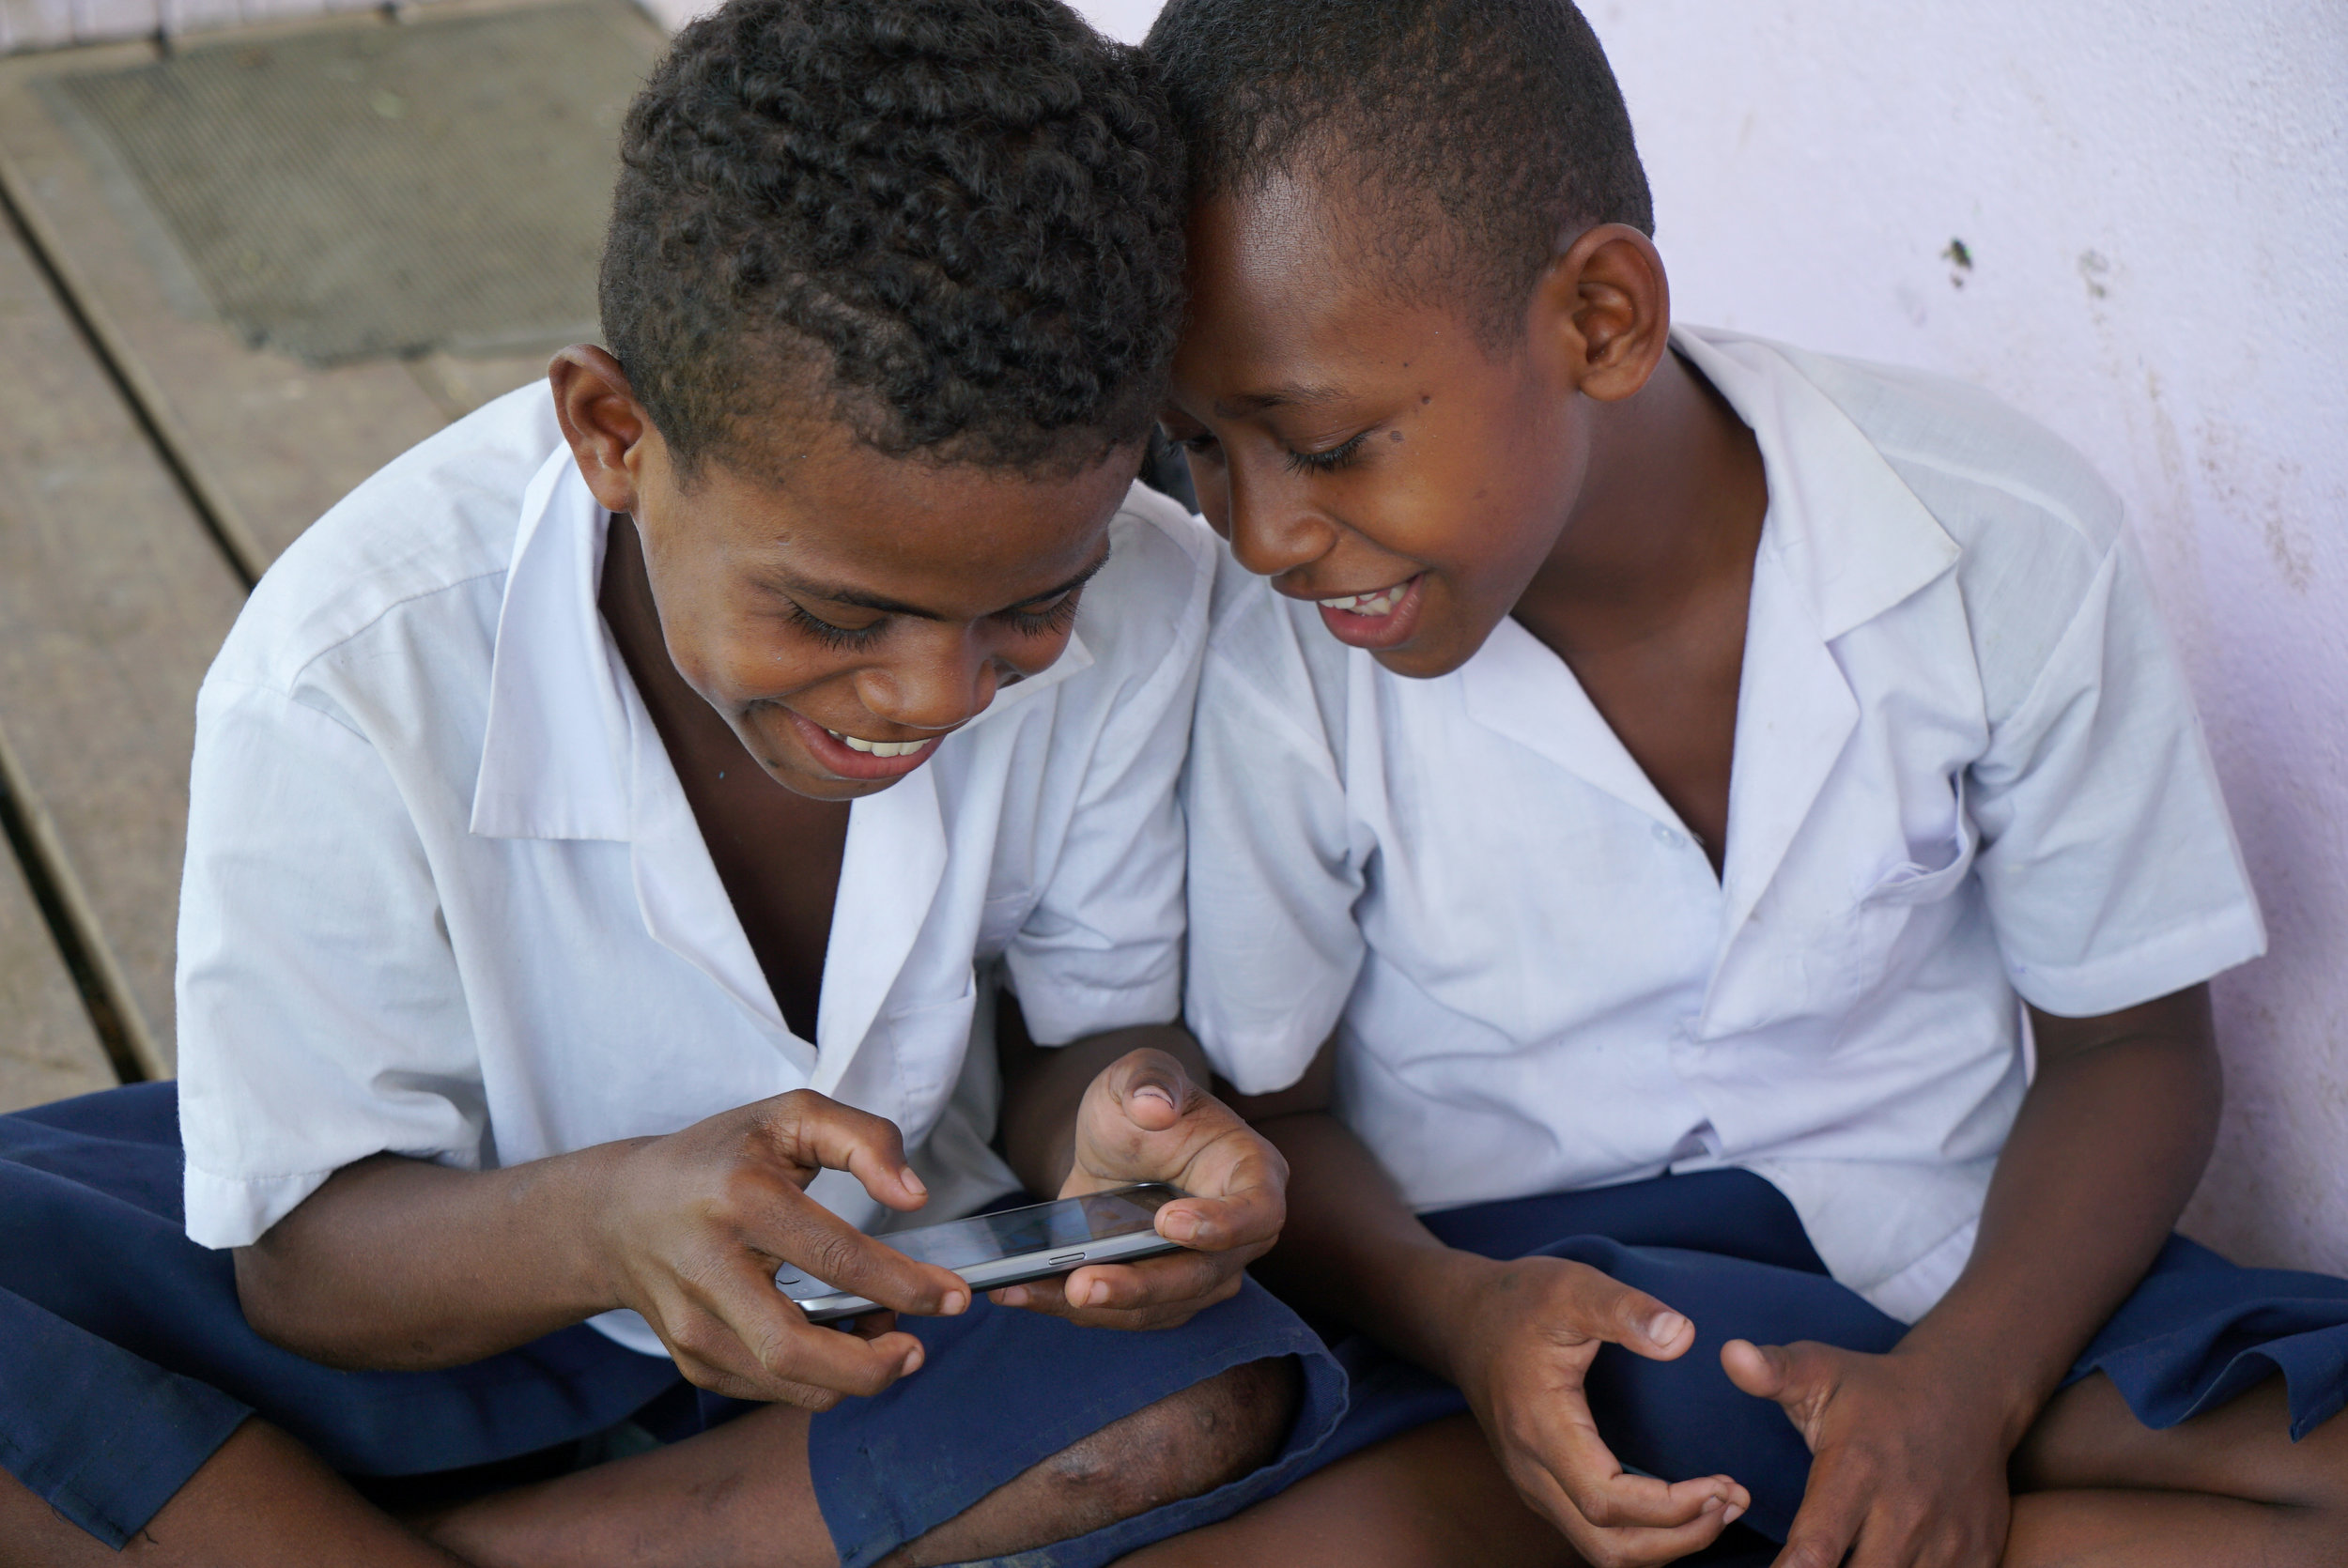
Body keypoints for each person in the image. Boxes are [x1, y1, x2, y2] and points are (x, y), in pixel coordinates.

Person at [0, 2, 1348, 1563]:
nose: (935, 692)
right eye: (836, 614)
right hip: (450, 1284)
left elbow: (1085, 1034)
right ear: (613, 432)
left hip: (897, 1317)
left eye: (1030, 606)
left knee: (1202, 1392)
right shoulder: (350, 669)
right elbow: (304, 1267)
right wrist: (607, 1223)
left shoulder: (1150, 603)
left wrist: (1122, 1130)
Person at [1135, 1, 2348, 1564]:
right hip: (1526, 1332)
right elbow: (1273, 1105)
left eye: (1331, 441)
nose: (1264, 533)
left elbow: (2132, 1050)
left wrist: (1964, 1391)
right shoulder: (1270, 656)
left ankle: (1874, 1491)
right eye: (1201, 453)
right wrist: (1468, 1315)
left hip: (1962, 1281)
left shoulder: (1989, 534)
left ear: (1602, 318)